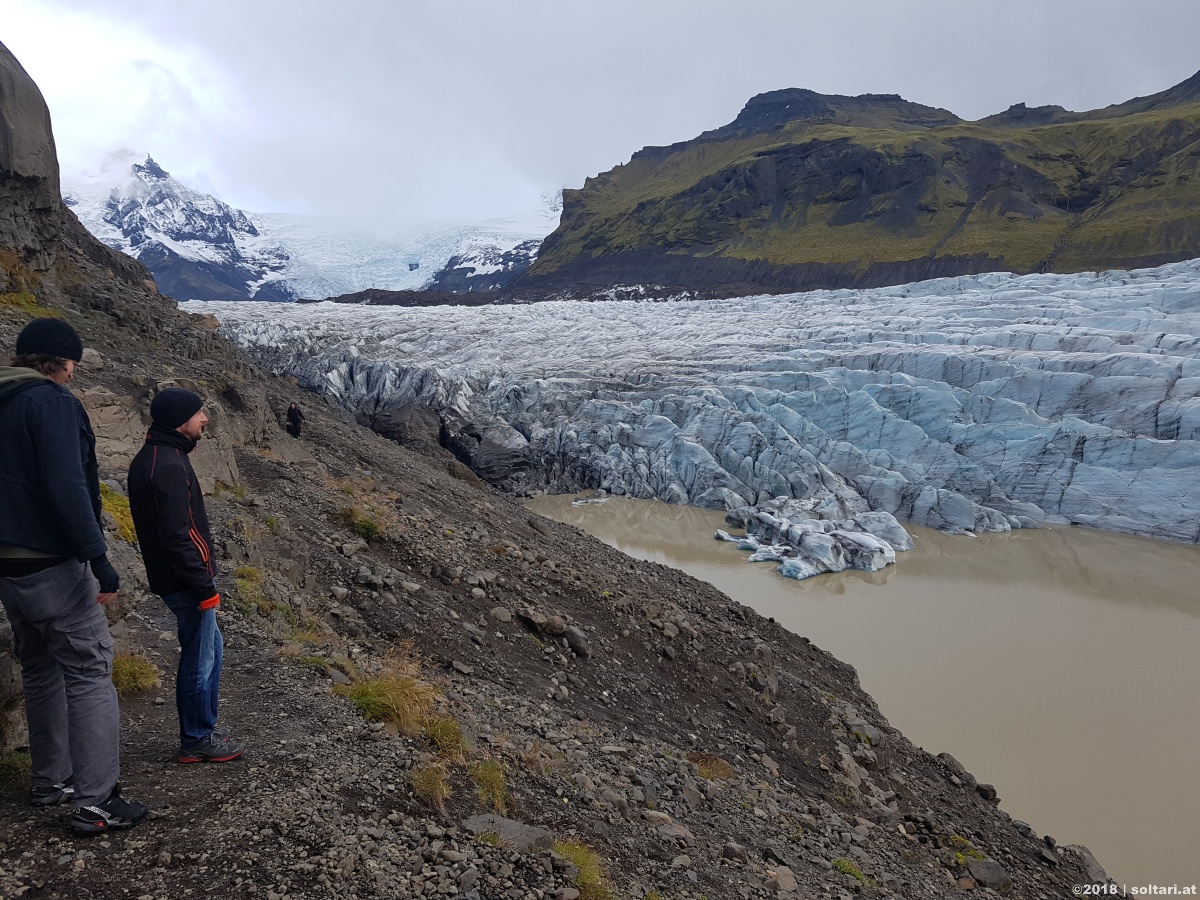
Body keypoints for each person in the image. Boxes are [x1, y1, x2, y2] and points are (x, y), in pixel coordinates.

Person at [0, 317, 148, 833]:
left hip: (8, 566)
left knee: (39, 667)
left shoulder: (4, 399)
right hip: (52, 562)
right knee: (88, 669)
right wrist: (98, 558)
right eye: (73, 367)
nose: (72, 377)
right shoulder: (52, 404)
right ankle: (96, 800)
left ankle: (50, 780)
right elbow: (67, 486)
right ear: (58, 362)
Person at [127, 388, 245, 763]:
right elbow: (179, 534)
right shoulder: (169, 466)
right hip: (184, 580)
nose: (205, 418)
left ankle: (203, 728)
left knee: (212, 649)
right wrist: (203, 583)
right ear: (181, 419)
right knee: (200, 657)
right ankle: (196, 738)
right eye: (199, 413)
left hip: (176, 576)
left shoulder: (160, 456)